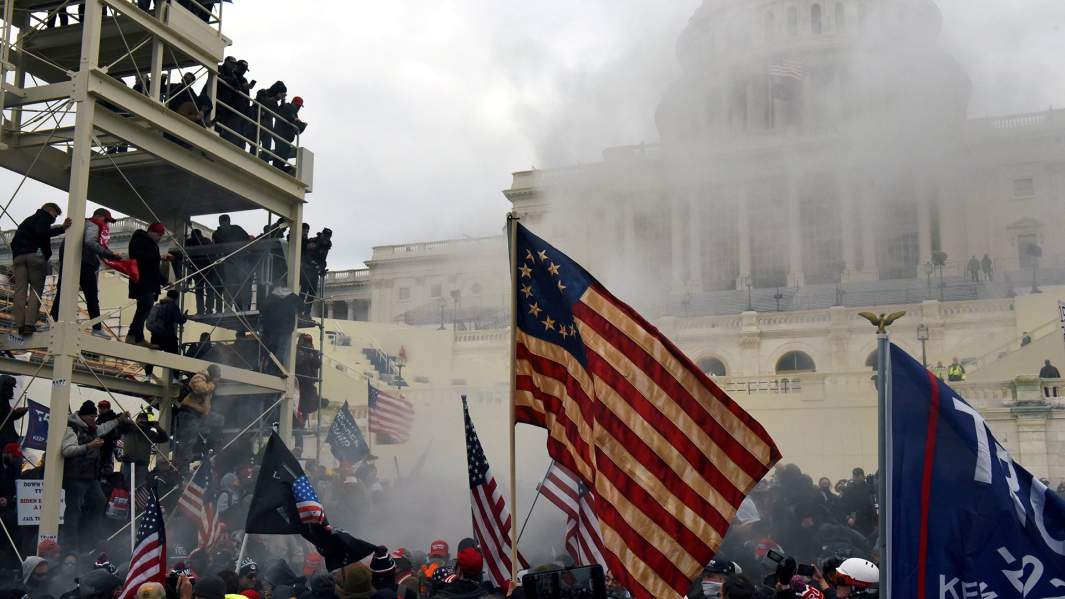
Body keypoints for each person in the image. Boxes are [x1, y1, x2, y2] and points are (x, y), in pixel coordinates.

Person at [60, 400, 129, 553]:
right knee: (74, 510)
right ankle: (70, 546)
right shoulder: (72, 428)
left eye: (95, 416)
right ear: (83, 416)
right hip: (75, 477)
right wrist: (89, 446)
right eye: (92, 416)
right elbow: (67, 450)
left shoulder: (92, 429)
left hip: (90, 477)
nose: (94, 419)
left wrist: (118, 419)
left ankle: (91, 536)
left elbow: (105, 427)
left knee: (100, 502)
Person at [51, 208, 123, 336]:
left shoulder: (79, 224)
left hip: (70, 261)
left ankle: (51, 322)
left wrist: (65, 261)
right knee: (91, 296)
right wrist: (109, 254)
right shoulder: (94, 225)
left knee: (62, 291)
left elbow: (64, 245)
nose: (107, 225)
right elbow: (90, 242)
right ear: (100, 217)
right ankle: (96, 328)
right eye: (106, 221)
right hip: (85, 263)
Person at [10, 202, 70, 335]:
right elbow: (42, 232)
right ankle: (29, 324)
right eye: (55, 215)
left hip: (19, 258)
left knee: (20, 291)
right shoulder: (44, 218)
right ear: (49, 210)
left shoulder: (27, 221)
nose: (54, 218)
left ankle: (19, 323)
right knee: (35, 290)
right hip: (35, 257)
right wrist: (62, 228)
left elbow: (13, 242)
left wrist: (17, 256)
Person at [127, 223, 170, 347]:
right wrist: (160, 258)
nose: (160, 238)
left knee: (144, 309)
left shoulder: (149, 244)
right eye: (158, 235)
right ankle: (132, 335)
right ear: (151, 232)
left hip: (147, 282)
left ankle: (138, 337)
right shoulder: (139, 240)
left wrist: (164, 280)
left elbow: (153, 268)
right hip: (142, 281)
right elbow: (141, 259)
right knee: (145, 306)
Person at [120, 407, 169, 492]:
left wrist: (158, 428)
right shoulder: (129, 429)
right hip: (127, 462)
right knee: (124, 486)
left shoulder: (149, 433)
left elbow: (164, 438)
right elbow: (122, 424)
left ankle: (137, 504)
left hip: (142, 464)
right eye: (140, 421)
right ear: (137, 421)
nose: (142, 423)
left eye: (144, 421)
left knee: (140, 488)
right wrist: (132, 423)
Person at [145, 289, 188, 379]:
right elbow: (180, 320)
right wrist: (185, 316)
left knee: (153, 356)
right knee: (174, 357)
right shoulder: (172, 306)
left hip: (156, 335)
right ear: (176, 298)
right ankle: (175, 378)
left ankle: (148, 375)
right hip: (168, 336)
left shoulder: (158, 304)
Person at [213, 215, 252, 312]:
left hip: (240, 261)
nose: (224, 226)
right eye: (223, 223)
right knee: (231, 286)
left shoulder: (236, 230)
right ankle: (229, 308)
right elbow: (216, 249)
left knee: (242, 285)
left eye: (225, 223)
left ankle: (243, 308)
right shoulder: (217, 234)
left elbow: (247, 241)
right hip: (229, 262)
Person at [259, 287, 301, 374]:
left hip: (272, 328)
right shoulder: (292, 297)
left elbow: (262, 308)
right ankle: (275, 369)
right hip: (286, 329)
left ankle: (269, 368)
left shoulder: (272, 296)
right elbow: (303, 308)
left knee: (272, 348)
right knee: (282, 350)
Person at [252, 82, 286, 162]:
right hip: (258, 122)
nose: (281, 97)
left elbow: (278, 113)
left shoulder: (274, 101)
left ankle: (264, 163)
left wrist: (283, 102)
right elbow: (263, 102)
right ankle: (252, 159)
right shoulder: (263, 92)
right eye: (281, 94)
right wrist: (275, 99)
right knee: (255, 144)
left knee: (267, 148)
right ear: (277, 91)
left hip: (268, 126)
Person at [272, 96, 307, 172]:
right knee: (282, 152)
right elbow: (283, 115)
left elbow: (298, 131)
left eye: (300, 106)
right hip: (281, 134)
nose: (298, 108)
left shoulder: (294, 112)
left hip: (285, 136)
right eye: (298, 105)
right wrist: (294, 119)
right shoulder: (287, 106)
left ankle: (279, 168)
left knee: (283, 153)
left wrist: (302, 125)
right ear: (294, 103)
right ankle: (277, 168)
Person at [0, 375, 26, 448]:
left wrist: (18, 413)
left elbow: (8, 417)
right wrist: (16, 413)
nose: (11, 390)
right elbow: (4, 416)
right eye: (9, 387)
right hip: (3, 441)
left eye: (12, 387)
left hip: (8, 441)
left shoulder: (5, 401)